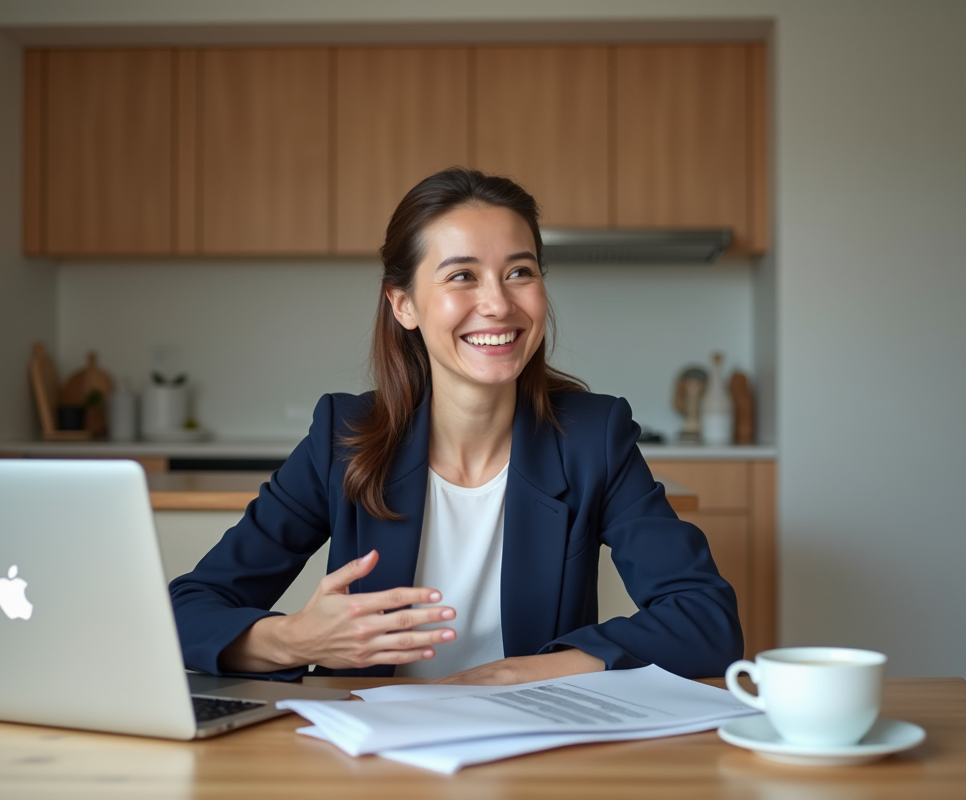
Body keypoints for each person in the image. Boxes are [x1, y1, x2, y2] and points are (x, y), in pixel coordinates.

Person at [169, 168, 742, 685]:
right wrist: (297, 639)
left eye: (519, 271)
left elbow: (706, 620)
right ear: (404, 305)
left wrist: (517, 674)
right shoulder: (342, 437)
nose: (496, 303)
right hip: (374, 752)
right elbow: (187, 611)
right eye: (461, 276)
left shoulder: (595, 439)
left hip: (531, 746)